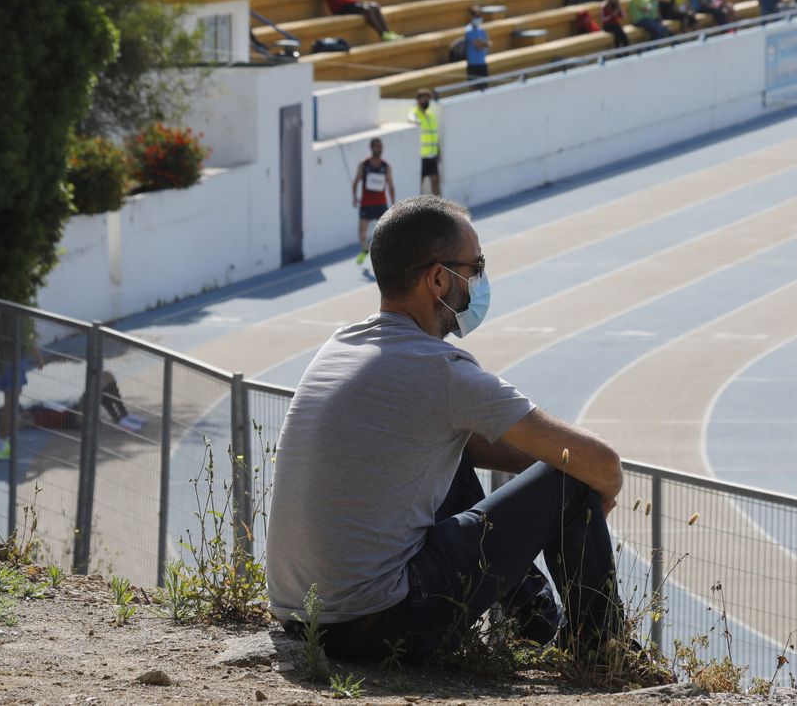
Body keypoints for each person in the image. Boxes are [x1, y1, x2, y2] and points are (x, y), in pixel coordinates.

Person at [266, 196, 658, 678]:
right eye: (477, 267)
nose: (481, 282)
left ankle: (535, 627)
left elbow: (470, 444)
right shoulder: (441, 372)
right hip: (383, 623)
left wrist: (539, 489)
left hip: (303, 618)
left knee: (455, 455)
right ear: (438, 279)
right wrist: (581, 495)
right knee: (572, 476)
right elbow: (603, 463)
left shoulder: (343, 344)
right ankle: (602, 652)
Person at [352, 138, 394, 265]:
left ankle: (386, 257)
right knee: (362, 234)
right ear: (371, 148)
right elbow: (355, 182)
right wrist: (354, 197)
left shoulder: (386, 166)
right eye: (376, 146)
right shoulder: (364, 165)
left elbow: (391, 185)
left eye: (380, 146)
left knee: (386, 232)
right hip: (366, 204)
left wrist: (393, 203)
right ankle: (365, 249)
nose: (379, 148)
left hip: (381, 204)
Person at [410, 89, 442, 197]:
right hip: (421, 156)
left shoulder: (431, 115)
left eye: (428, 98)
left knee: (436, 180)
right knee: (419, 183)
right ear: (418, 100)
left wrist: (438, 151)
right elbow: (411, 121)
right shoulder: (414, 113)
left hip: (432, 155)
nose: (426, 101)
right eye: (424, 98)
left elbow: (434, 135)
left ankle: (438, 207)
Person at [463, 6, 491, 87]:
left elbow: (488, 43)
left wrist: (485, 44)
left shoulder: (481, 29)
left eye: (479, 16)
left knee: (484, 87)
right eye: (476, 16)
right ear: (471, 16)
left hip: (482, 63)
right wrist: (485, 44)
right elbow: (479, 45)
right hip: (473, 65)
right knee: (474, 88)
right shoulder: (469, 30)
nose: (478, 18)